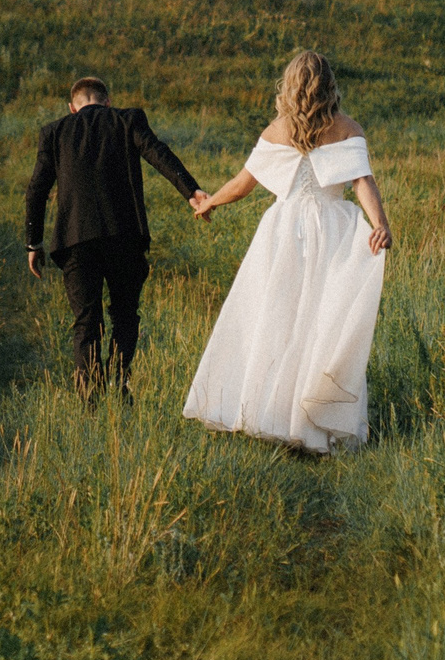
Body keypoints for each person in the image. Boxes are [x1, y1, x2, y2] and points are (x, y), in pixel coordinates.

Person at [182, 49, 392, 454]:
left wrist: (210, 203)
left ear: (289, 86)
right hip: (330, 230)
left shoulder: (277, 129)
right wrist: (379, 223)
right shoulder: (346, 127)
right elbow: (362, 182)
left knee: (276, 319)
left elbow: (243, 185)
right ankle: (313, 425)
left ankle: (273, 416)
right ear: (329, 85)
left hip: (284, 232)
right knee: (322, 321)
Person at [24, 76, 208, 403]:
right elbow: (157, 153)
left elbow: (37, 189)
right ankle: (119, 384)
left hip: (75, 241)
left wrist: (33, 243)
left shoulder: (54, 132)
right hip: (125, 236)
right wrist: (190, 191)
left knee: (86, 322)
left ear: (72, 106)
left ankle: (91, 403)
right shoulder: (127, 119)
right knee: (125, 315)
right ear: (107, 101)